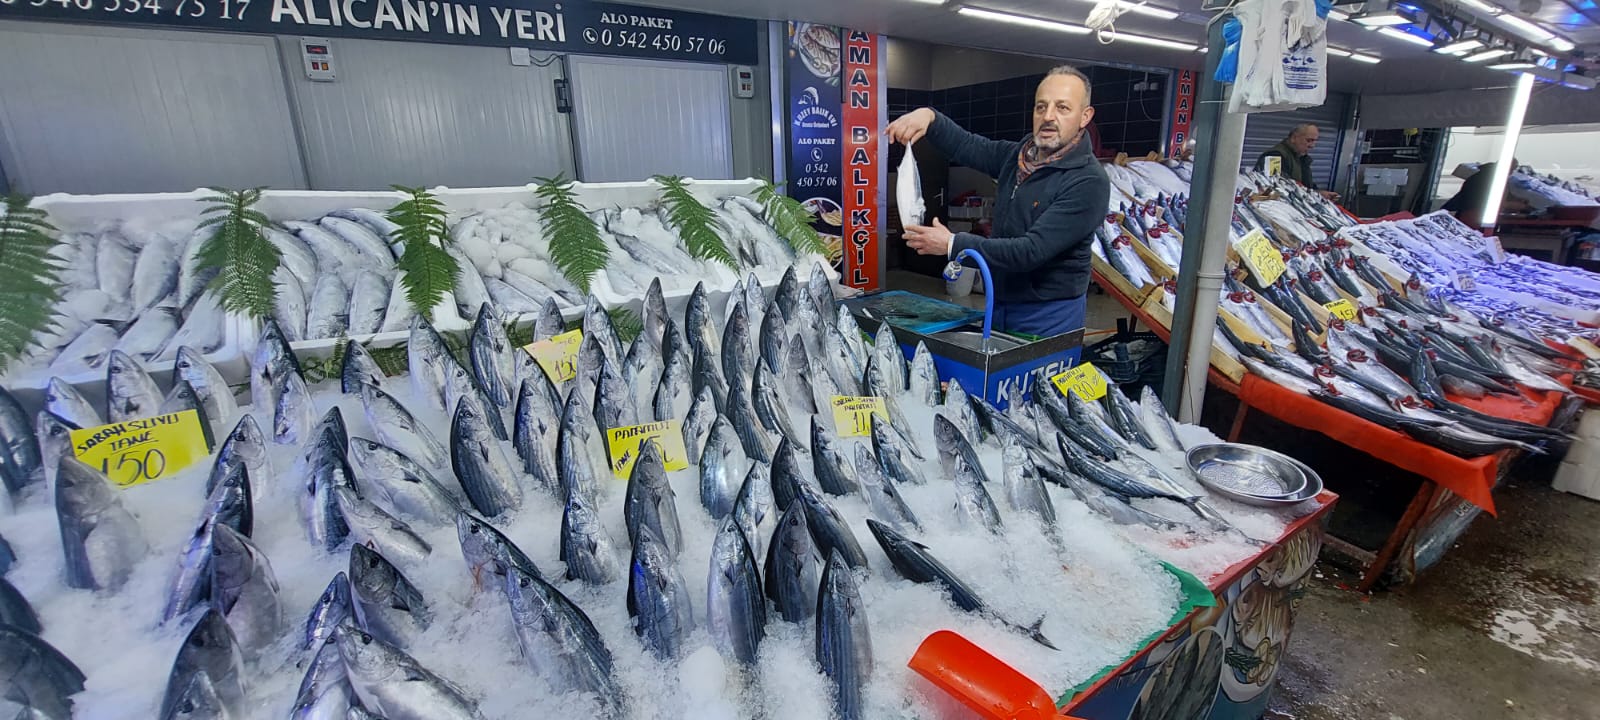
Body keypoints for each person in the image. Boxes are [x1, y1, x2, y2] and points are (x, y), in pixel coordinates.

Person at [885, 65, 1110, 338]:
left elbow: (1031, 251)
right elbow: (967, 145)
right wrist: (930, 117)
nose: (1048, 117)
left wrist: (953, 244)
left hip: (1048, 315)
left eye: (1062, 108)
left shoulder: (1088, 181)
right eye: (1041, 107)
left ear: (1085, 116)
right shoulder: (1017, 157)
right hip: (1000, 301)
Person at [1254, 124, 1339, 201]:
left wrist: (1319, 193)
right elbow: (1270, 188)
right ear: (1294, 138)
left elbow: (1306, 186)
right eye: (1309, 140)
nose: (1312, 146)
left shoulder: (1301, 158)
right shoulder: (1274, 156)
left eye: (1315, 141)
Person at [1442, 159, 1529, 227]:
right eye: (1512, 169)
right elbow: (1493, 201)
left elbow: (1501, 195)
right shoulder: (1491, 177)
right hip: (1473, 213)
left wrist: (1515, 199)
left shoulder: (1489, 174)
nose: (1512, 172)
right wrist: (1515, 205)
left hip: (1474, 212)